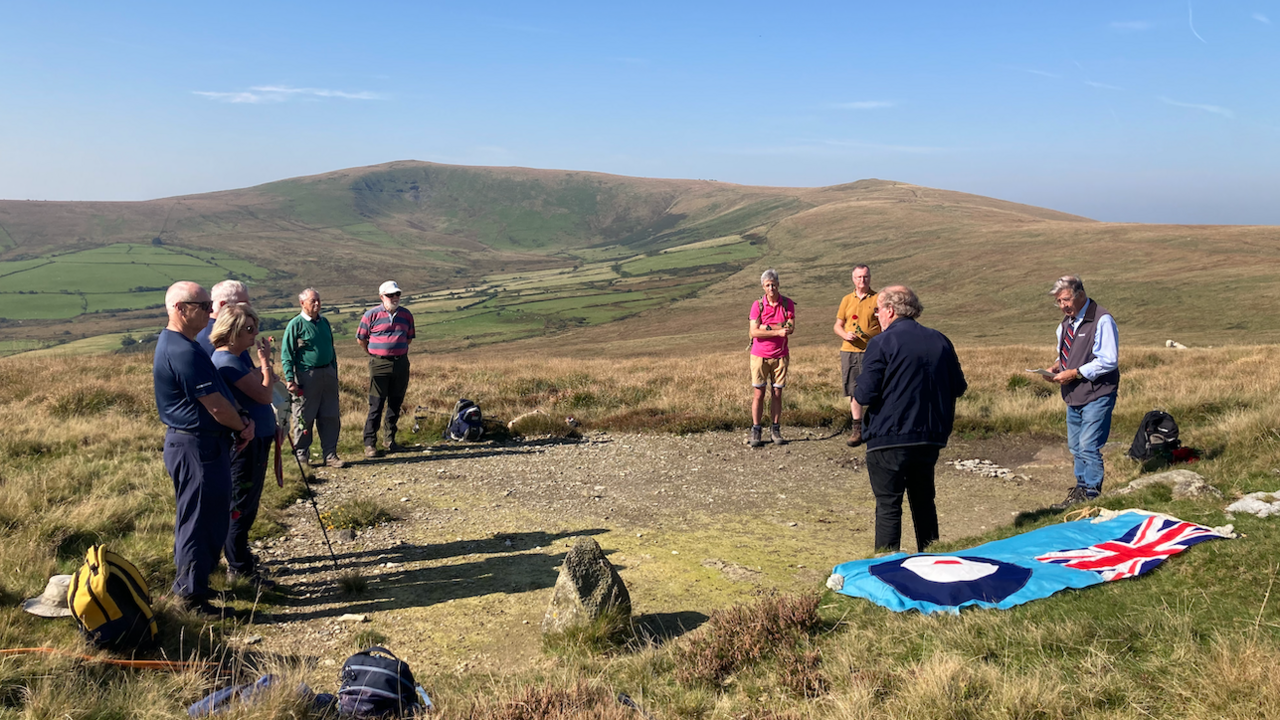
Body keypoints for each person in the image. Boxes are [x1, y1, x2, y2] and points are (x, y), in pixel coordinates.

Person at [153, 281, 254, 616]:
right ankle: (191, 599)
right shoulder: (182, 350)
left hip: (200, 443)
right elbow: (214, 405)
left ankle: (196, 587)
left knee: (206, 518)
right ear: (180, 309)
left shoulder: (183, 344)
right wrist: (241, 425)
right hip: (197, 446)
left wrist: (237, 418)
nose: (211, 310)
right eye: (203, 304)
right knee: (198, 521)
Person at [854, 286, 967, 553]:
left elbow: (864, 393)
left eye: (877, 310)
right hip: (930, 435)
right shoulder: (940, 340)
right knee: (924, 502)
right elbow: (959, 387)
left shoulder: (881, 343)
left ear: (890, 311)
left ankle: (885, 566)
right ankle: (933, 561)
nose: (876, 315)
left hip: (889, 436)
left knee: (889, 505)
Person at [210, 304, 279, 589]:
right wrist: (264, 362)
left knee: (247, 503)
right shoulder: (228, 362)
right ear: (232, 331)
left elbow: (267, 386)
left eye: (255, 327)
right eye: (249, 329)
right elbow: (264, 394)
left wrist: (263, 369)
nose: (254, 334)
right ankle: (239, 567)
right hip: (246, 443)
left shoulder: (236, 358)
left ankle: (241, 560)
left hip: (257, 437)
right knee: (241, 504)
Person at [1040, 275, 1119, 510]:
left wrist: (1074, 372)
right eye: (1058, 302)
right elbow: (1065, 353)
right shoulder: (1065, 324)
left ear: (1080, 295)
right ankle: (1080, 490)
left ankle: (1093, 494)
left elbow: (1108, 360)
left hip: (1098, 392)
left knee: (1088, 445)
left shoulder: (1102, 320)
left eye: (1065, 300)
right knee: (1075, 446)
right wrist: (1055, 367)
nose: (1062, 306)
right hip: (1073, 394)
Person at [281, 288, 345, 468]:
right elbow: (287, 354)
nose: (317, 304)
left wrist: (334, 371)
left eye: (318, 300)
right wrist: (290, 379)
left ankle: (330, 454)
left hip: (328, 374)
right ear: (302, 303)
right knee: (304, 415)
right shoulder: (295, 325)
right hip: (306, 376)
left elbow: (331, 348)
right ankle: (301, 454)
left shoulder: (324, 322)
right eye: (312, 301)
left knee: (330, 415)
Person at [357, 280, 415, 457]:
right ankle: (370, 443)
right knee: (376, 404)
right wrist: (375, 354)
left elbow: (409, 338)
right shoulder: (371, 315)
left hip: (401, 363)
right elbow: (361, 339)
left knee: (395, 403)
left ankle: (390, 440)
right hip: (379, 364)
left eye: (397, 294)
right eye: (390, 295)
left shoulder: (406, 315)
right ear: (382, 296)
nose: (395, 298)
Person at [833, 264, 881, 447]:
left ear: (870, 278)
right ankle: (857, 430)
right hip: (849, 351)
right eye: (859, 277)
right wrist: (845, 335)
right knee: (854, 390)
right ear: (853, 279)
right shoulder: (846, 300)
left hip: (871, 351)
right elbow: (837, 325)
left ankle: (876, 426)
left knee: (876, 387)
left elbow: (885, 324)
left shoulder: (878, 298)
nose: (863, 280)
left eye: (866, 276)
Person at [748, 269, 795, 448]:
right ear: (763, 286)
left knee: (777, 393)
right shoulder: (757, 305)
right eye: (767, 285)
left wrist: (766, 327)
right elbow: (754, 331)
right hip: (760, 356)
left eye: (773, 284)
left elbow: (790, 327)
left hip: (780, 356)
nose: (771, 288)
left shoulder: (788, 304)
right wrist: (776, 330)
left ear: (778, 284)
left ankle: (775, 429)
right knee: (758, 394)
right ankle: (756, 429)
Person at [196, 280, 250, 356]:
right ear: (223, 305)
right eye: (243, 303)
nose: (249, 306)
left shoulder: (209, 329)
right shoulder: (216, 335)